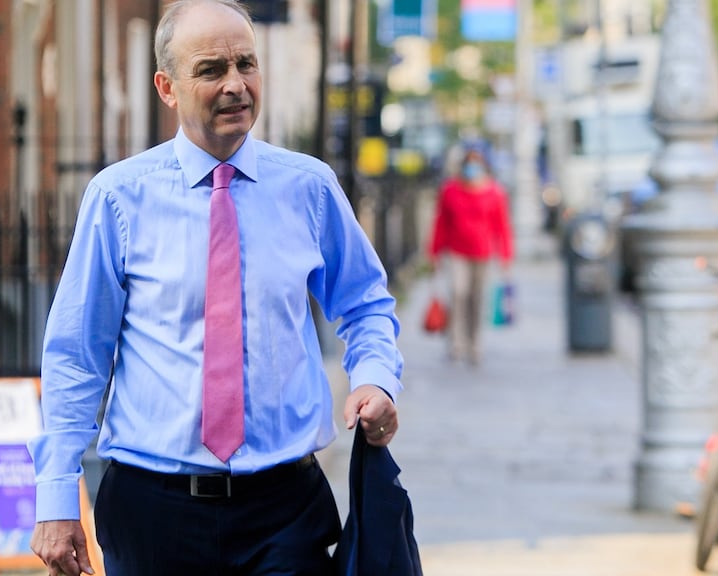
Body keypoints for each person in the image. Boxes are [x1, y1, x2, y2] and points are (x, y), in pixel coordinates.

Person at [27, 1, 404, 574]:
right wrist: (56, 496)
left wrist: (375, 378)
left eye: (246, 65)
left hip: (284, 510)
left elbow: (364, 303)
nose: (236, 84)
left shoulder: (310, 189)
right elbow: (77, 358)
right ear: (167, 87)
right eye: (211, 70)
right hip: (153, 512)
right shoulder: (118, 199)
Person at [428, 146, 514, 366]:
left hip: (483, 253)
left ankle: (474, 344)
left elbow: (502, 226)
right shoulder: (450, 190)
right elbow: (441, 222)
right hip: (456, 252)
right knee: (458, 293)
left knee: (477, 299)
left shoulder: (495, 192)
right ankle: (456, 343)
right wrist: (434, 251)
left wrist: (505, 255)